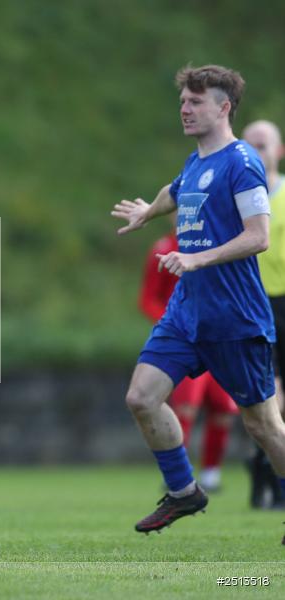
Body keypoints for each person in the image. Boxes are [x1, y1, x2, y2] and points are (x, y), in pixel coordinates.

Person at [112, 64, 285, 543]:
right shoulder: (197, 162)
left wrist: (196, 259)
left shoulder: (242, 161)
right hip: (187, 314)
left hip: (235, 316)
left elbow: (258, 237)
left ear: (223, 107)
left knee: (264, 424)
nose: (185, 110)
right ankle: (184, 491)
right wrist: (150, 211)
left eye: (195, 102)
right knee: (141, 398)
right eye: (183, 102)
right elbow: (178, 189)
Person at [139, 219, 238, 494]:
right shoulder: (164, 248)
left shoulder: (213, 247)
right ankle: (179, 478)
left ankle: (211, 474)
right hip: (185, 342)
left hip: (215, 339)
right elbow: (148, 299)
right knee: (185, 408)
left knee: (224, 408)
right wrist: (173, 326)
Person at [243, 119, 285, 508]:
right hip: (255, 304)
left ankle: (263, 470)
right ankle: (264, 472)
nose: (258, 152)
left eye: (263, 145)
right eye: (250, 145)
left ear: (279, 150)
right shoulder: (239, 193)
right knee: (269, 398)